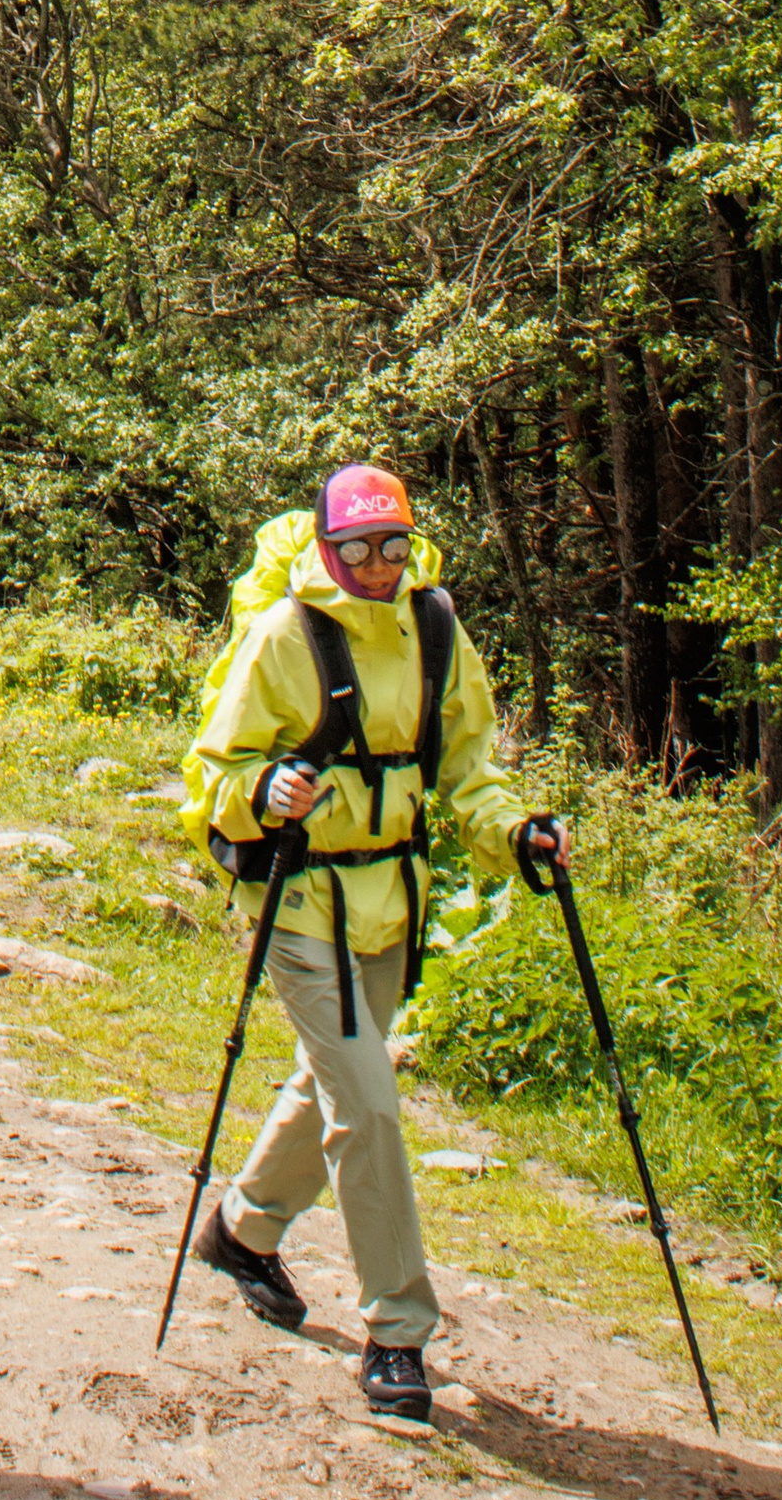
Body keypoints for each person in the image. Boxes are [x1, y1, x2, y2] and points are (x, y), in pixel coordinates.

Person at [180, 459, 569, 1427]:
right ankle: (397, 1336)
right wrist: (261, 793)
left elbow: (470, 765)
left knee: (335, 1084)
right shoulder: (283, 634)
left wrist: (515, 832)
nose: (375, 564)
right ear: (323, 549)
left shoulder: (434, 626)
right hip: (300, 899)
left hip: (392, 899)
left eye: (392, 544)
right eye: (355, 547)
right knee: (371, 1103)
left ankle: (242, 1228)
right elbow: (213, 771)